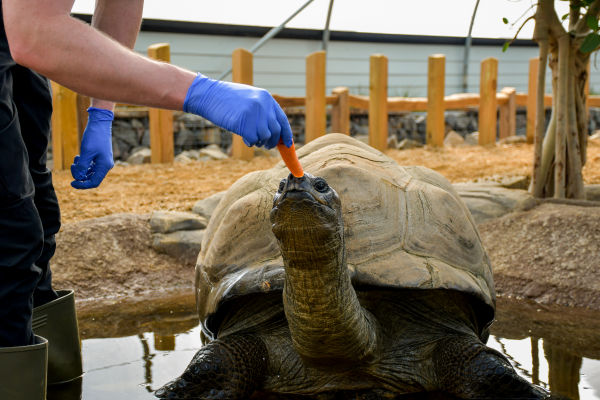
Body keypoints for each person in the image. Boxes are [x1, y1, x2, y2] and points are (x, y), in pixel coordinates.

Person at [0, 0, 293, 398]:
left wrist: (101, 112)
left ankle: (55, 386)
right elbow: (34, 34)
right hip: (20, 30)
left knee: (39, 217)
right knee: (9, 238)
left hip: (12, 37)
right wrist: (200, 92)